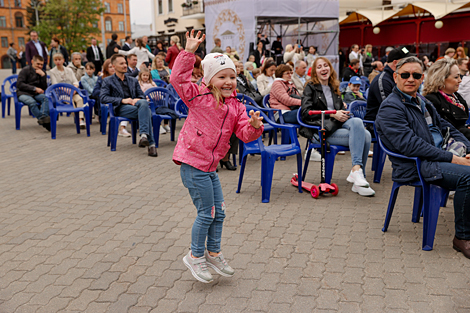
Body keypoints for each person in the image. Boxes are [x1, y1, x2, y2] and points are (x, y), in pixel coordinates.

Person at [170, 30, 264, 283]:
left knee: (219, 212)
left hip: (209, 168)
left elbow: (244, 134)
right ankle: (195, 256)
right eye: (221, 76)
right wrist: (188, 52)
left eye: (232, 76)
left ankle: (213, 253)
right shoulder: (198, 97)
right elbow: (177, 79)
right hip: (193, 164)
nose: (228, 81)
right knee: (206, 212)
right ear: (210, 80)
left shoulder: (236, 106)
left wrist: (254, 126)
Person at [376, 56, 470, 259]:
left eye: (416, 75)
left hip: (437, 157)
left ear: (422, 78)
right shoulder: (391, 107)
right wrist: (453, 159)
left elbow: (448, 127)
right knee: (468, 176)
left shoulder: (422, 101)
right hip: (417, 166)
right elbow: (411, 146)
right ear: (395, 76)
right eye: (405, 75)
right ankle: (462, 237)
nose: (410, 79)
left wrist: (468, 149)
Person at [301, 57, 374, 196]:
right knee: (364, 136)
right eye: (319, 67)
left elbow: (340, 110)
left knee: (360, 126)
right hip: (321, 131)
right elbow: (305, 113)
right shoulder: (310, 87)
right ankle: (358, 176)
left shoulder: (334, 86)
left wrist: (342, 110)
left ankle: (357, 173)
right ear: (315, 72)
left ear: (330, 68)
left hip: (336, 126)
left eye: (326, 65)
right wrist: (333, 114)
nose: (323, 69)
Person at [100, 54, 157, 156]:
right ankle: (151, 144)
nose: (125, 65)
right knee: (147, 111)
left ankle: (144, 136)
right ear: (113, 66)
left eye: (125, 63)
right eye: (121, 63)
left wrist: (136, 99)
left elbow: (142, 96)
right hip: (120, 109)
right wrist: (122, 100)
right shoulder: (107, 81)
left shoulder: (133, 80)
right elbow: (103, 98)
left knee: (144, 104)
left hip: (136, 106)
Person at [423, 58, 470, 140]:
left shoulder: (455, 96)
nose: (460, 80)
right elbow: (445, 131)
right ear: (441, 79)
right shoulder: (432, 100)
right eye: (456, 77)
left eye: (459, 76)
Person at [365, 46, 415, 121]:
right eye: (406, 61)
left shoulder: (399, 78)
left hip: (397, 121)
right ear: (395, 63)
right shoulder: (383, 81)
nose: (409, 64)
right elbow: (390, 109)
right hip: (379, 125)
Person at [49, 53, 86, 129]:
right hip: (61, 94)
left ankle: (81, 119)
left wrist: (74, 90)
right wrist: (67, 90)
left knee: (79, 99)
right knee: (71, 102)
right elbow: (55, 84)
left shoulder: (69, 70)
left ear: (63, 60)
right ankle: (77, 118)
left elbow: (75, 81)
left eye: (59, 59)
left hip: (73, 91)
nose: (58, 61)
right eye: (56, 60)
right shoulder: (52, 71)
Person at [16, 55, 50, 130]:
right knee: (32, 102)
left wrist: (43, 76)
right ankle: (44, 121)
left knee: (46, 98)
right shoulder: (25, 70)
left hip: (36, 94)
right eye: (38, 64)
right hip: (23, 93)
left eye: (41, 64)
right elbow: (19, 84)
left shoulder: (42, 72)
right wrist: (34, 88)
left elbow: (44, 88)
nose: (40, 66)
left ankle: (43, 118)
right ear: (32, 62)